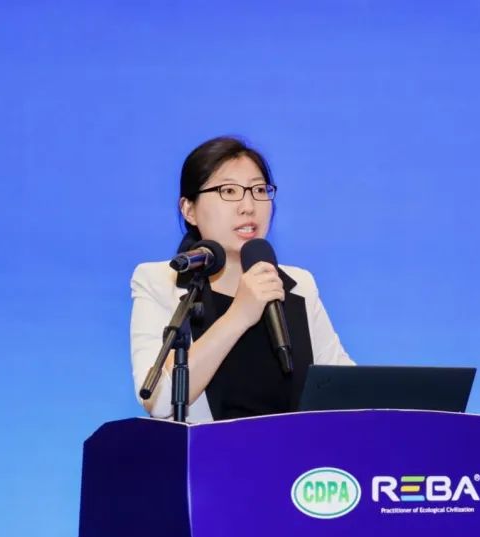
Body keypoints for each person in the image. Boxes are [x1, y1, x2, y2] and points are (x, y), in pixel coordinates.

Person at [130, 136, 353, 422]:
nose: (248, 206)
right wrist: (239, 315)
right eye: (228, 191)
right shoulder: (158, 282)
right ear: (189, 209)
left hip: (296, 451)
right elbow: (159, 402)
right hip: (209, 451)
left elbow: (344, 390)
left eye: (258, 190)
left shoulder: (298, 285)